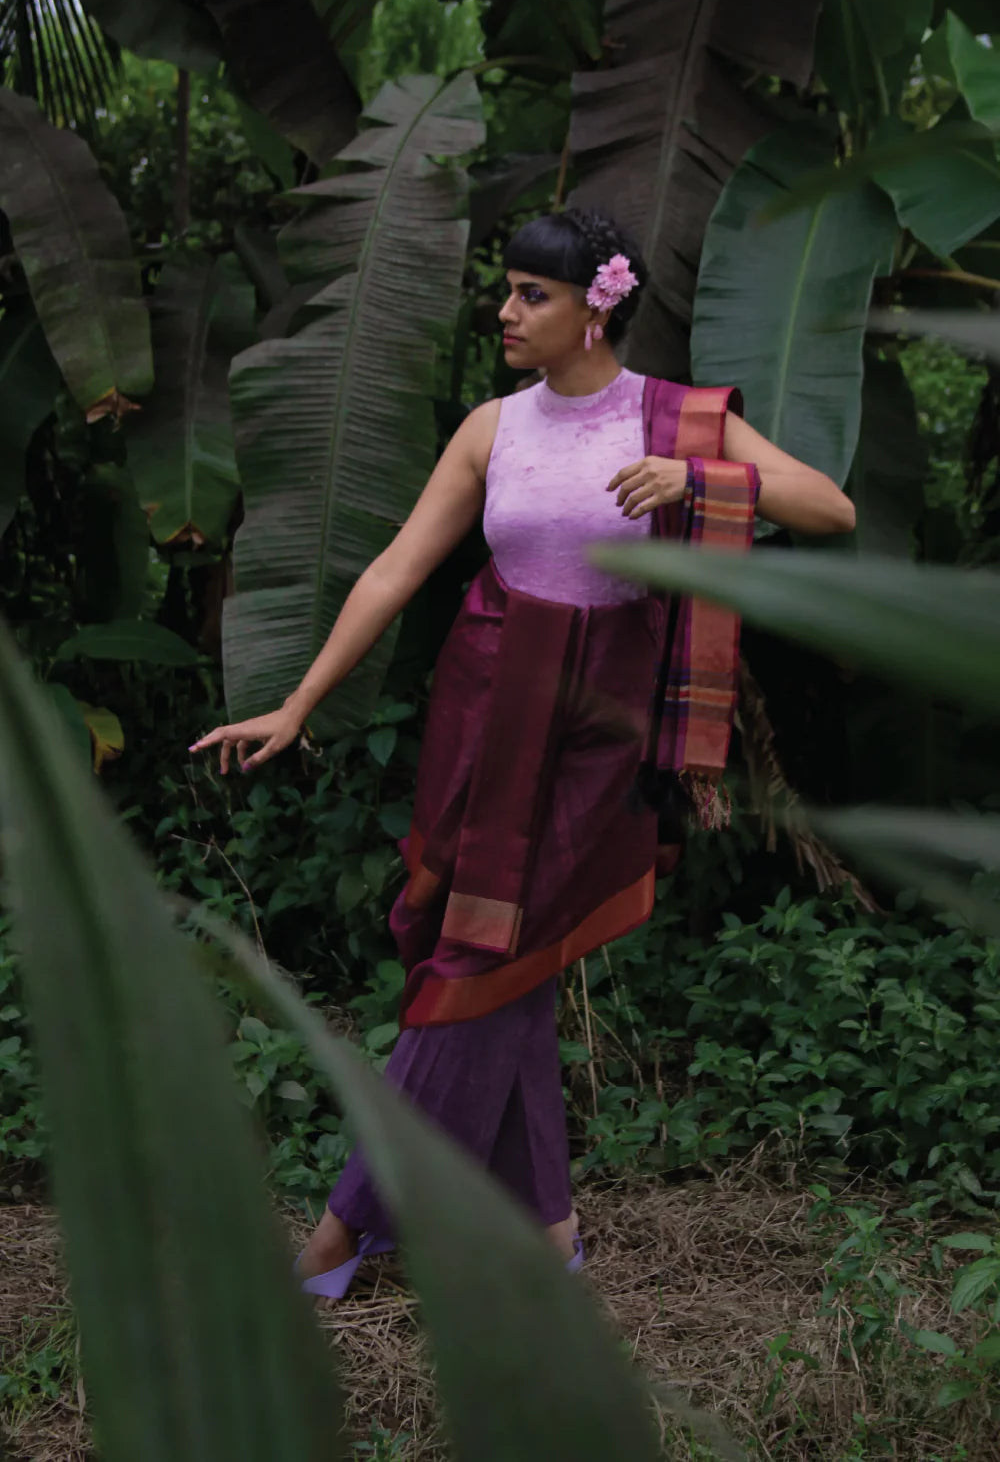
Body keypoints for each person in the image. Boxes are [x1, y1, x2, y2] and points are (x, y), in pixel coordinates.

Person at [189, 208, 855, 1296]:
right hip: (487, 711)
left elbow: (830, 507)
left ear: (596, 308)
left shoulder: (676, 421)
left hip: (600, 731)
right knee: (507, 966)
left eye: (529, 295)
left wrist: (696, 483)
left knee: (480, 961)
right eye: (505, 289)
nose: (503, 311)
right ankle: (549, 1234)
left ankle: (345, 1226)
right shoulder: (491, 427)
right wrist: (298, 702)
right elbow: (396, 568)